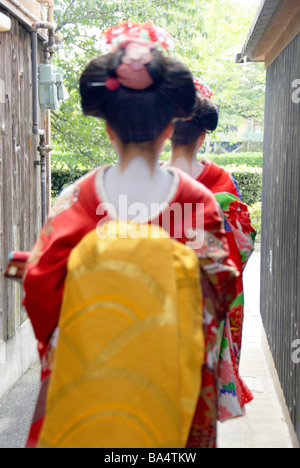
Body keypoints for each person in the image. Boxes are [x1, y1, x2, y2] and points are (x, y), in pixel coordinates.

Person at [22, 22, 238, 448]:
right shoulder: (198, 202)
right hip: (172, 366)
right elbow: (220, 285)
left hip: (89, 370)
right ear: (167, 131)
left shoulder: (76, 199)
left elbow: (40, 284)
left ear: (108, 129)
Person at [165, 78, 256, 446]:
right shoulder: (220, 181)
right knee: (198, 403)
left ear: (167, 133)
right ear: (203, 136)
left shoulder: (147, 182)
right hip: (206, 308)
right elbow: (243, 245)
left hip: (157, 305)